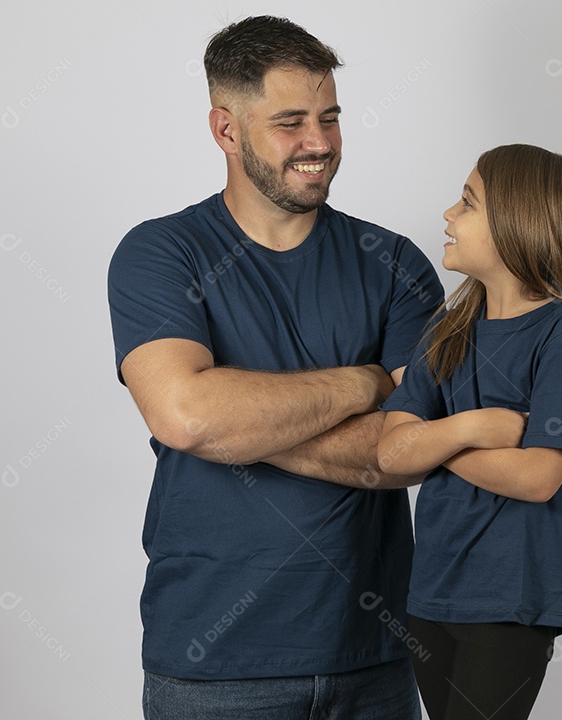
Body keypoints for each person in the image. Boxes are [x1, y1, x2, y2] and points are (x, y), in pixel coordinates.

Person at [106, 15, 443, 719]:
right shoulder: (162, 255)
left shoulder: (396, 266)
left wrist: (242, 426)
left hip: (374, 657)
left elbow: (413, 454)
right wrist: (370, 383)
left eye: (330, 118)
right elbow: (187, 415)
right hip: (213, 664)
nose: (318, 143)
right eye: (290, 122)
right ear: (225, 129)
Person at [376, 144, 562, 720]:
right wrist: (472, 428)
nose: (447, 215)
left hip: (511, 601)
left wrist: (434, 440)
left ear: (520, 222)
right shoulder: (448, 325)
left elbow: (537, 477)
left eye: (467, 202)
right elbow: (391, 453)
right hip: (431, 594)